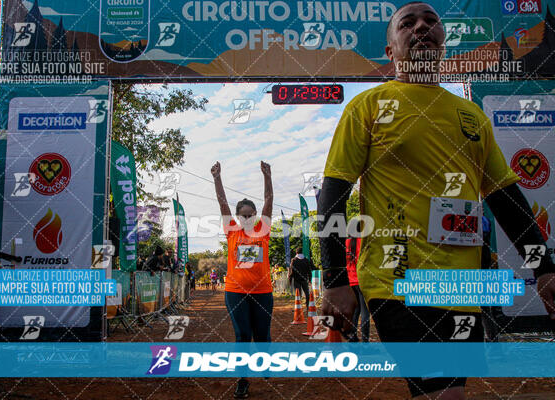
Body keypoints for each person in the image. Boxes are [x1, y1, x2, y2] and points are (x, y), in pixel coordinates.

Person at [317, 3, 555, 399]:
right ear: (390, 51)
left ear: (443, 44)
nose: (421, 28)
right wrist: (336, 280)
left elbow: (505, 198)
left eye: (430, 22)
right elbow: (333, 194)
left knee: (449, 392)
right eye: (407, 24)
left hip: (463, 287)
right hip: (398, 282)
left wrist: (544, 267)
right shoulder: (368, 107)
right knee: (443, 394)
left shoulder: (471, 116)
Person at [212, 160, 274, 399]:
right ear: (238, 216)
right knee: (242, 334)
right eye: (243, 215)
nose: (247, 218)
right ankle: (242, 379)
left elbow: (269, 200)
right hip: (235, 291)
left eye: (251, 215)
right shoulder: (232, 232)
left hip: (263, 292)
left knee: (262, 335)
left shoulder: (263, 230)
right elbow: (222, 202)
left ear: (256, 215)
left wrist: (267, 176)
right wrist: (217, 177)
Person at [345, 237, 369, 343]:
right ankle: (365, 342)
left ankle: (353, 337)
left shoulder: (346, 242)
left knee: (355, 311)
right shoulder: (363, 241)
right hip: (362, 280)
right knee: (365, 313)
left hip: (350, 281)